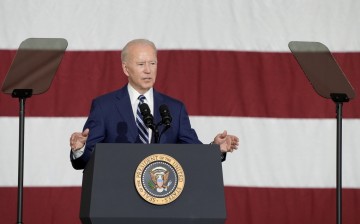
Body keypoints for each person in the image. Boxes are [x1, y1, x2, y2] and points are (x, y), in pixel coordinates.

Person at [69, 39, 239, 170]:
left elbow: (193, 153)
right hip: (119, 201)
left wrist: (215, 149)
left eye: (153, 63)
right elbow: (85, 161)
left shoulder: (174, 109)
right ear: (126, 69)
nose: (148, 70)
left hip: (162, 201)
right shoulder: (104, 107)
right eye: (141, 64)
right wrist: (79, 149)